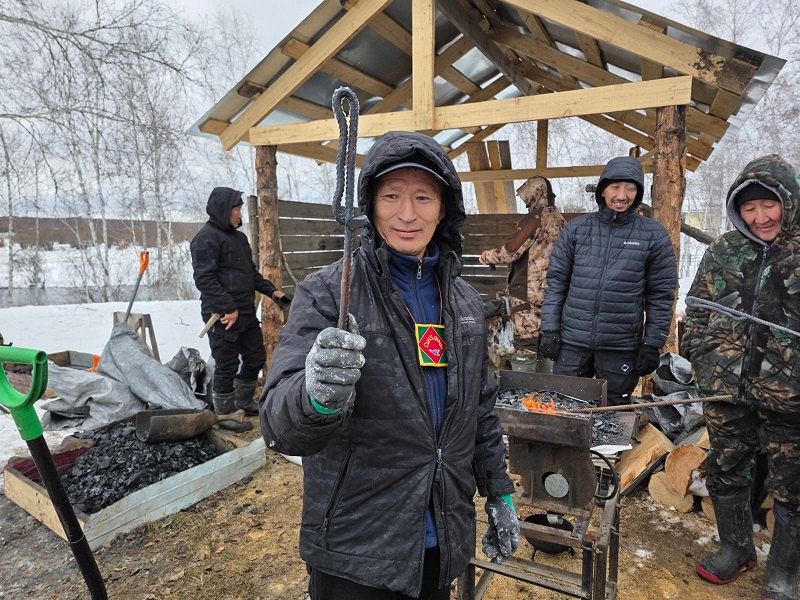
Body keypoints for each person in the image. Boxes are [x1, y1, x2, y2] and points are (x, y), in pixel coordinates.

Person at [260, 131, 519, 599]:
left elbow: (479, 409)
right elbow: (278, 423)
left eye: (423, 197)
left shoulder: (461, 301)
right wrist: (315, 396)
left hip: (443, 537)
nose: (407, 214)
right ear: (370, 205)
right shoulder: (328, 294)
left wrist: (498, 492)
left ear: (444, 208)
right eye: (391, 196)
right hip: (357, 547)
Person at [682, 155, 800, 600]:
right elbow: (698, 308)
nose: (760, 217)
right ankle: (736, 549)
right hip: (727, 387)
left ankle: (783, 573)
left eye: (768, 205)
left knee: (793, 482)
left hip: (791, 393)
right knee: (727, 467)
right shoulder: (724, 250)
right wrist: (700, 356)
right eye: (749, 208)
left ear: (788, 201)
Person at [538, 156, 677, 405]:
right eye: (615, 187)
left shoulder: (653, 236)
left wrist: (652, 343)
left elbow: (661, 294)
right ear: (602, 190)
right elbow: (557, 283)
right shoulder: (578, 230)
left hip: (620, 346)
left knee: (612, 415)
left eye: (631, 187)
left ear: (639, 192)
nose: (622, 195)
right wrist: (550, 329)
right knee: (565, 408)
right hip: (572, 343)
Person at [190, 187, 291, 432]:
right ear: (224, 210)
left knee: (255, 356)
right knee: (226, 363)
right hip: (222, 315)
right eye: (236, 209)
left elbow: (249, 274)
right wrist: (227, 307)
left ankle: (243, 400)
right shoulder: (205, 239)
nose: (239, 214)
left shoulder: (238, 238)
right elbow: (204, 280)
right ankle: (224, 415)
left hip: (244, 311)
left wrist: (272, 291)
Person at [478, 176, 566, 368]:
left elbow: (511, 251)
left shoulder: (535, 218)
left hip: (527, 292)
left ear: (535, 194)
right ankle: (545, 392)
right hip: (551, 294)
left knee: (525, 345)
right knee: (544, 343)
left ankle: (523, 391)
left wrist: (487, 257)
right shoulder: (559, 219)